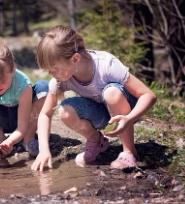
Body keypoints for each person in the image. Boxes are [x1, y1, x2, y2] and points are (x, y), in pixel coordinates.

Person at [30, 25, 157, 171]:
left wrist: (129, 118)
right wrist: (44, 150)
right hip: (103, 115)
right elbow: (45, 114)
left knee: (111, 93)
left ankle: (129, 152)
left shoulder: (106, 65)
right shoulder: (61, 80)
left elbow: (148, 95)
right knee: (65, 110)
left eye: (54, 69)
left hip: (127, 110)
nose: (51, 74)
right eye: (48, 70)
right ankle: (97, 142)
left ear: (75, 59)